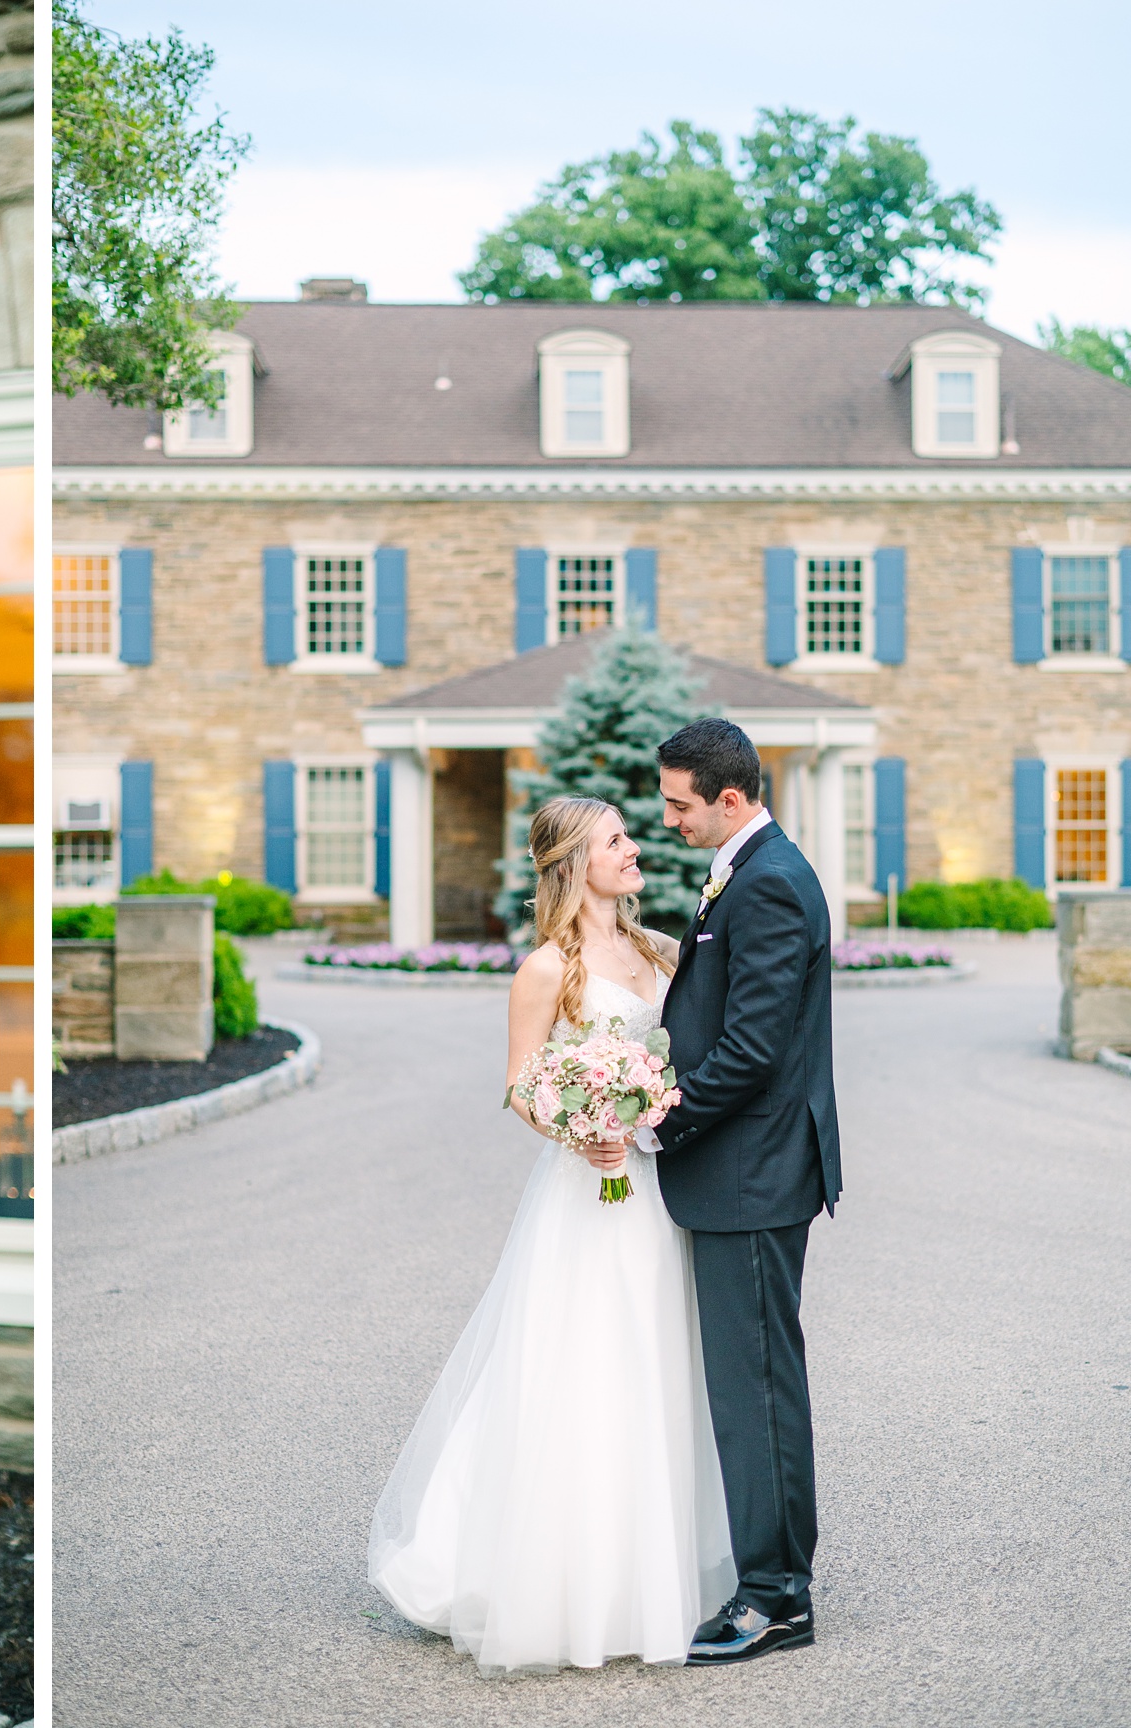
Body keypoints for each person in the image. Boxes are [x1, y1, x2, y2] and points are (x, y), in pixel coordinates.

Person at [368, 794, 733, 1675]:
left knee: (659, 1362)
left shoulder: (660, 952)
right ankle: (557, 1581)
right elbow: (522, 1084)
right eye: (616, 840)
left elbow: (687, 1057)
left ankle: (653, 1573)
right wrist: (582, 1127)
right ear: (576, 860)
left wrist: (650, 1110)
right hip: (587, 1191)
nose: (634, 848)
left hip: (657, 1184)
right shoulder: (546, 970)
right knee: (581, 1367)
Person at [653, 718, 841, 1664]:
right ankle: (775, 1579)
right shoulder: (751, 867)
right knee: (751, 1383)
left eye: (680, 804)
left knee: (757, 1388)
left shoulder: (768, 882)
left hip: (752, 1173)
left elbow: (754, 1050)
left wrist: (661, 1117)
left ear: (730, 798)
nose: (668, 819)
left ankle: (776, 1598)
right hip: (748, 1170)